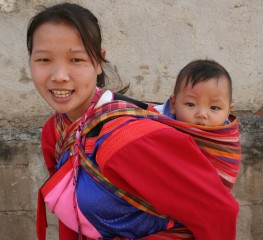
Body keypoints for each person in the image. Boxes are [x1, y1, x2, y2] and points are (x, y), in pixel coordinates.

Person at [27, 3, 239, 240]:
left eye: (76, 60)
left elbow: (219, 212)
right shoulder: (56, 130)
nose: (59, 76)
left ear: (99, 62)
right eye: (44, 60)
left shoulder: (128, 140)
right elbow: (72, 218)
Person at [155, 59, 241, 190]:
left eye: (214, 107)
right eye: (190, 104)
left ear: (228, 111)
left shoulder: (226, 142)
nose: (202, 114)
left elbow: (222, 181)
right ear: (173, 105)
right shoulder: (155, 122)